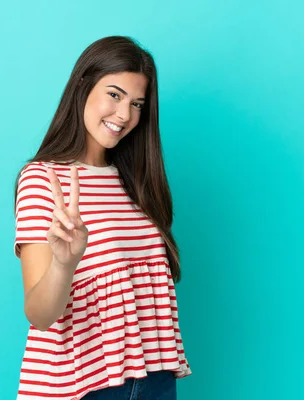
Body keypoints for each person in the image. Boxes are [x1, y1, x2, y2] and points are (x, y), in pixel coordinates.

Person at [13, 36, 191, 400]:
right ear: (82, 86)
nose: (125, 115)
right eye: (114, 94)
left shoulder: (139, 182)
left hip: (155, 378)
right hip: (85, 386)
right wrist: (64, 264)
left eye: (137, 103)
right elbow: (40, 315)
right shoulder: (44, 178)